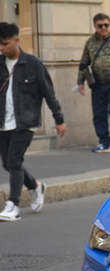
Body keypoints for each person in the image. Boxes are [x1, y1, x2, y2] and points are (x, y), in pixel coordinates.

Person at [0, 22, 65, 222]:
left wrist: (59, 119)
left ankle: (14, 205)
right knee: (8, 164)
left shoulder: (33, 64)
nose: (1, 48)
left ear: (17, 41)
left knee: (15, 161)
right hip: (3, 123)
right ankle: (35, 187)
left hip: (25, 121)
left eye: (5, 44)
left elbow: (48, 93)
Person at [78, 13, 110, 153]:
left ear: (109, 25)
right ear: (95, 26)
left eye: (106, 25)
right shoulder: (90, 43)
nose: (103, 28)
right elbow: (84, 63)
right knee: (99, 114)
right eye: (100, 26)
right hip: (96, 84)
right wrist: (81, 81)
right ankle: (104, 142)